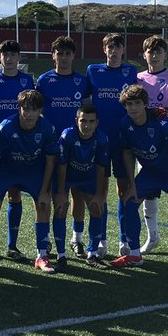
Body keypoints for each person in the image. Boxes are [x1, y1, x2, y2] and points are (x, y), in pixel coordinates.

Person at [111, 84, 168, 276]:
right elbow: (127, 154)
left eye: (137, 103)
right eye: (129, 104)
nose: (133, 108)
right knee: (129, 202)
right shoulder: (125, 124)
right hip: (150, 172)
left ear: (145, 104)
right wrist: (132, 184)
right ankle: (134, 255)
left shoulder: (161, 122)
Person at [36, 36, 92, 257]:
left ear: (73, 56)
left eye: (68, 53)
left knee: (78, 194)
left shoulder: (82, 81)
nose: (64, 57)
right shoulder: (44, 80)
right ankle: (47, 239)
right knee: (49, 194)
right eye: (60, 53)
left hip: (77, 146)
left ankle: (76, 239)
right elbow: (38, 111)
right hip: (51, 147)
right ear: (53, 56)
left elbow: (86, 111)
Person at [0, 89, 60, 273]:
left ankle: (42, 256)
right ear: (19, 109)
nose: (29, 114)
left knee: (43, 204)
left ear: (40, 110)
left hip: (32, 171)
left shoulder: (47, 128)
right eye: (26, 109)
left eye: (34, 110)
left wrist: (45, 191)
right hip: (8, 171)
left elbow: (50, 161)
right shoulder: (5, 127)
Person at [0, 38, 34, 260]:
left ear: (19, 57)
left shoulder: (27, 80)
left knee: (15, 193)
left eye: (13, 55)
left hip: (19, 145)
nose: (9, 59)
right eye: (5, 55)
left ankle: (12, 246)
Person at [85, 32, 138, 259]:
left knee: (124, 189)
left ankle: (124, 239)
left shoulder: (131, 72)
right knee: (101, 190)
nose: (113, 51)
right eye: (110, 47)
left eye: (117, 47)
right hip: (99, 141)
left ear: (123, 50)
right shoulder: (93, 71)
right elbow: (84, 102)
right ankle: (100, 240)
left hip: (124, 141)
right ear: (104, 49)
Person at [135, 34, 168, 254]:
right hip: (143, 143)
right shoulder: (138, 79)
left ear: (165, 55)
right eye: (151, 51)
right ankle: (152, 237)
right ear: (144, 54)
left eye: (159, 51)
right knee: (148, 193)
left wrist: (167, 110)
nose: (154, 55)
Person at [55, 103, 111, 267]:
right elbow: (62, 166)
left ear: (97, 122)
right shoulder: (67, 136)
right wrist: (61, 192)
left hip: (87, 177)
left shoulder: (101, 139)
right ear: (76, 121)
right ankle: (61, 255)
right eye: (83, 121)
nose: (87, 125)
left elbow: (101, 168)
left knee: (97, 208)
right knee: (60, 208)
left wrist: (100, 195)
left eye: (91, 121)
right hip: (67, 177)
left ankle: (92, 255)